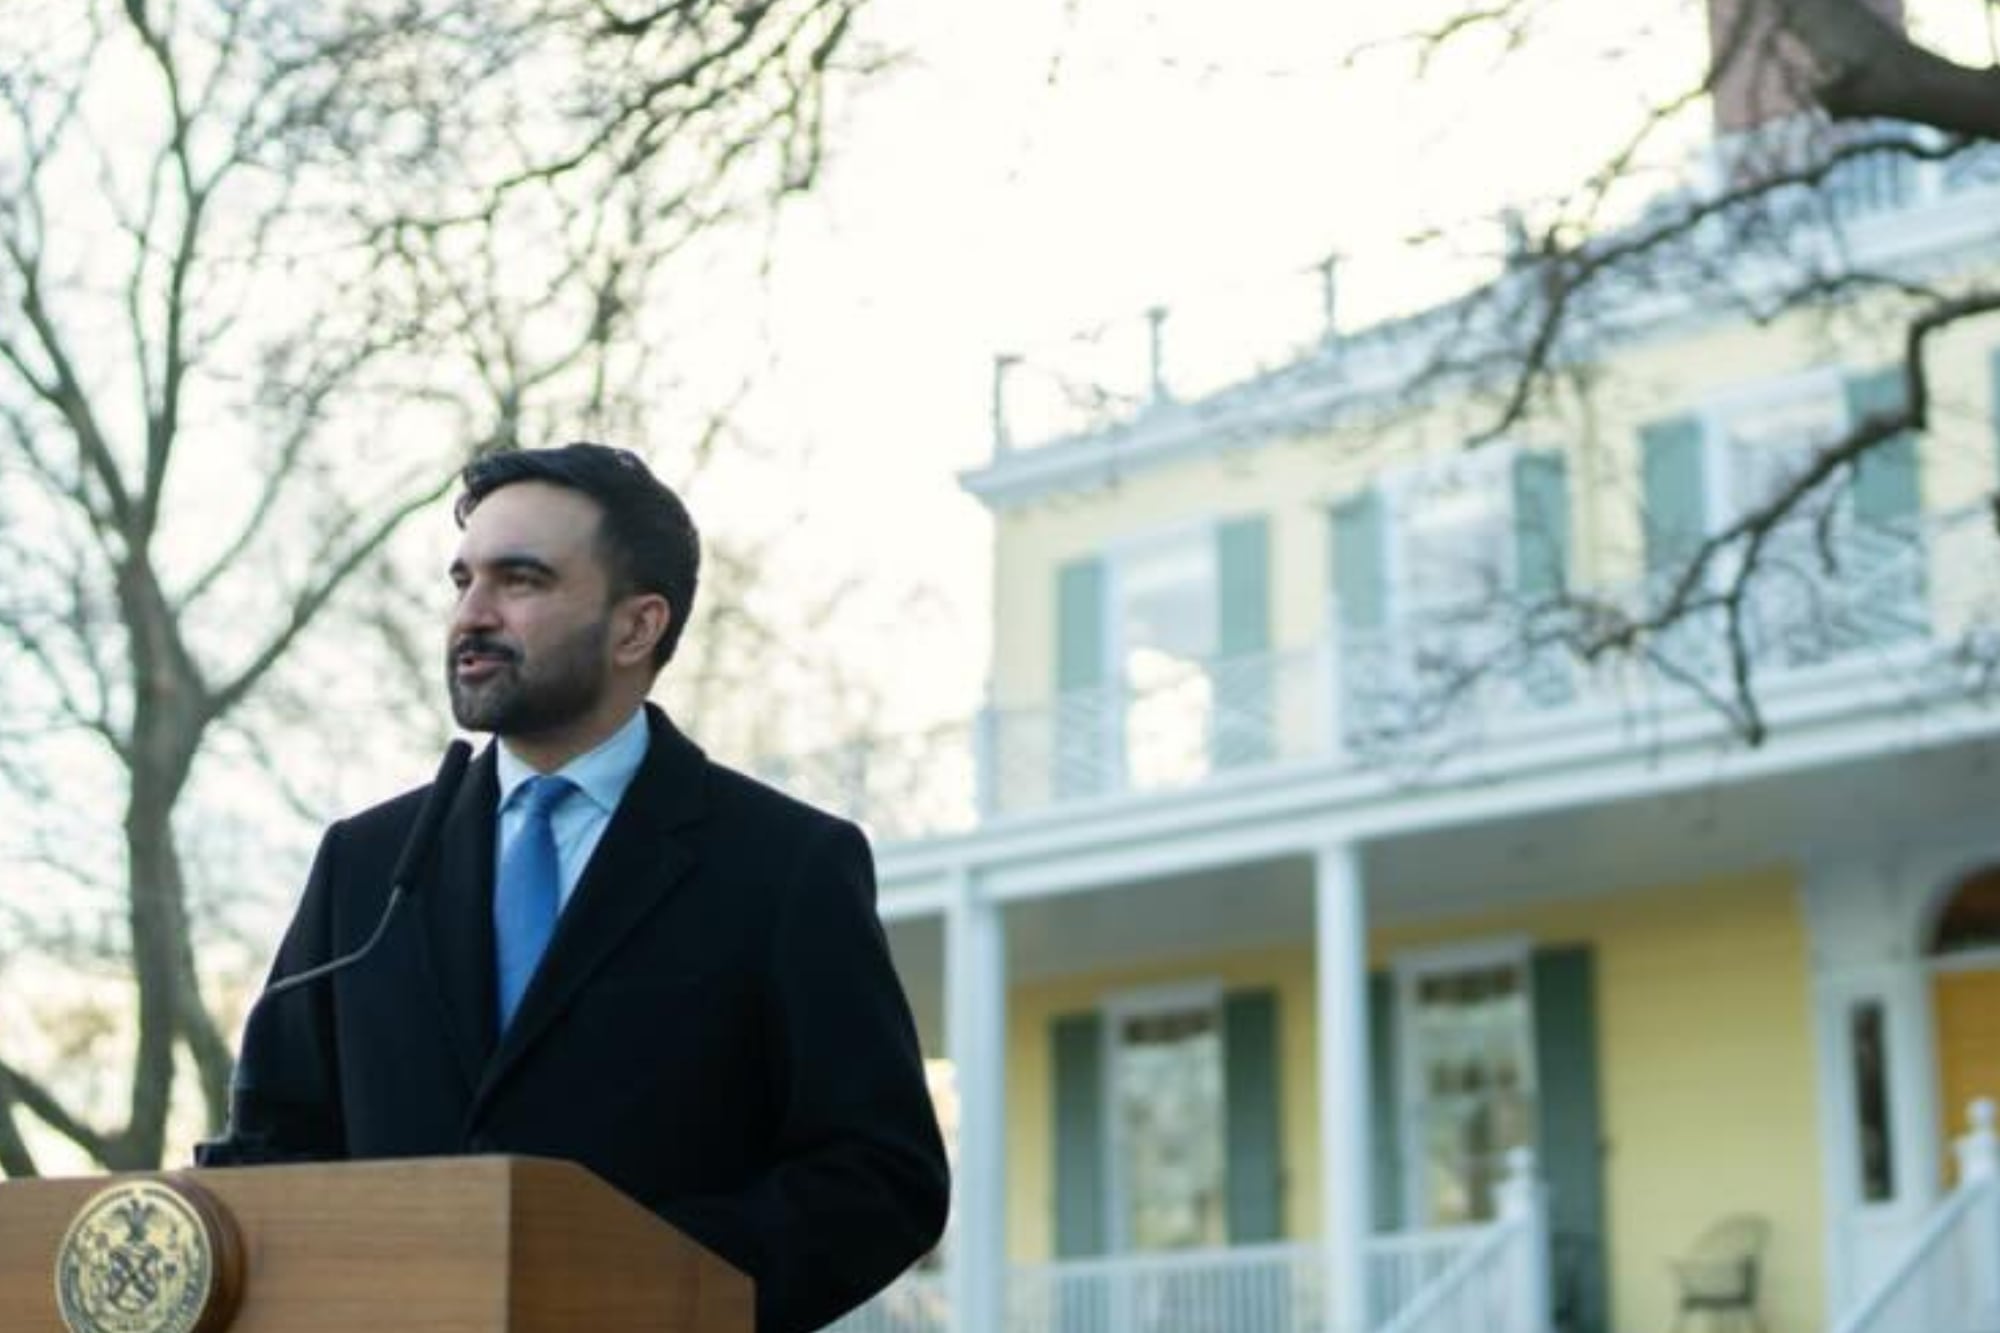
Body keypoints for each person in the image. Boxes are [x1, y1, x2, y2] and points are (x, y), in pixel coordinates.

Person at [209, 443, 950, 1333]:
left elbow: (880, 1173)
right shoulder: (363, 864)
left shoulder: (784, 864)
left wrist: (631, 1281)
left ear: (636, 627)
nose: (471, 616)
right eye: (461, 581)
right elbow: (274, 1145)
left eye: (519, 580)